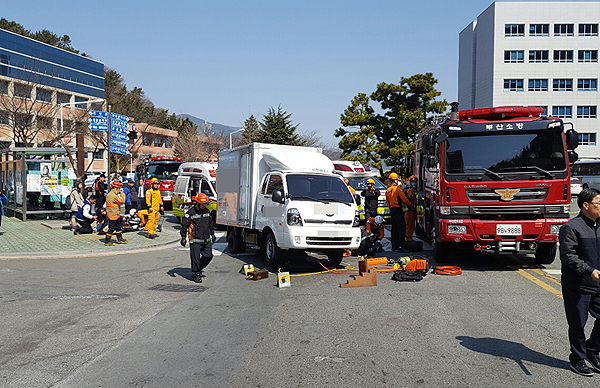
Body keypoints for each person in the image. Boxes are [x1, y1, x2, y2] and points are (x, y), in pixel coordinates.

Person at [559, 188, 600, 376]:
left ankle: (592, 351)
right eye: (598, 203)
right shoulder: (571, 227)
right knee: (577, 325)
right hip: (578, 285)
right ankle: (577, 359)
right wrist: (589, 271)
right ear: (586, 205)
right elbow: (568, 256)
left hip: (598, 285)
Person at [180, 193, 216, 283]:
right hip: (195, 240)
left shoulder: (207, 211)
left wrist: (212, 234)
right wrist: (183, 237)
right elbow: (184, 226)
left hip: (206, 239)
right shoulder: (190, 213)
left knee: (208, 256)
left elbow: (210, 224)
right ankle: (196, 274)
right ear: (198, 203)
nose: (205, 206)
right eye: (203, 204)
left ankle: (199, 267)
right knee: (195, 258)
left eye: (206, 204)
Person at [385, 172, 411, 252]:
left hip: (392, 210)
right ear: (395, 180)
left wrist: (391, 209)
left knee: (394, 228)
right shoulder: (397, 189)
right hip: (398, 209)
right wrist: (410, 204)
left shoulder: (388, 190)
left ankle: (394, 245)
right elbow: (403, 199)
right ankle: (401, 246)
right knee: (402, 227)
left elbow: (387, 201)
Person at [104, 180, 128, 246]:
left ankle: (120, 238)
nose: (119, 190)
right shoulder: (113, 196)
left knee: (118, 227)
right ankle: (107, 240)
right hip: (113, 215)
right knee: (111, 228)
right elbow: (122, 201)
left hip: (115, 214)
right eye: (118, 189)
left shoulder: (111, 194)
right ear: (115, 188)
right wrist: (122, 194)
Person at [404, 176, 418, 242]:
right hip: (409, 210)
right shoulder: (409, 190)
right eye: (412, 182)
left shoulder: (416, 190)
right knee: (408, 225)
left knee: (413, 225)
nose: (414, 183)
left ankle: (410, 237)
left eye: (415, 182)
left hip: (414, 209)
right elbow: (408, 198)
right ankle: (408, 238)